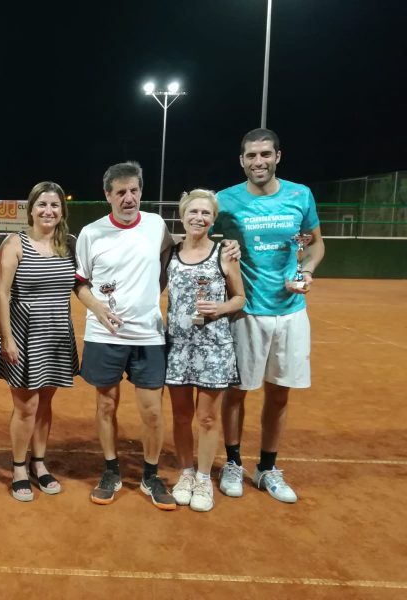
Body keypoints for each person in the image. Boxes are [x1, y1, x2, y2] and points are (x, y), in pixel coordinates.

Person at [213, 128, 325, 503]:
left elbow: (316, 244)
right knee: (236, 392)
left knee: (279, 393)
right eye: (251, 155)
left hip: (291, 311)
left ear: (278, 156)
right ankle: (233, 462)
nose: (258, 161)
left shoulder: (300, 195)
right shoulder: (225, 200)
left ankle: (266, 467)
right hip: (246, 311)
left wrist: (306, 271)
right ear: (241, 160)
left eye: (265, 154)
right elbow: (207, 245)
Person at [74, 161, 177, 510]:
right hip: (104, 335)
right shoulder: (91, 233)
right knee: (106, 404)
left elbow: (168, 257)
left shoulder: (156, 225)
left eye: (134, 190)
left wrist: (152, 293)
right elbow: (80, 283)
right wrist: (98, 309)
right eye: (121, 192)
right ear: (108, 195)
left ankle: (150, 475)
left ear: (141, 191)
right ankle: (111, 470)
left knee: (152, 411)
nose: (128, 198)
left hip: (148, 334)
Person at [0, 181, 80, 502]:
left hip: (57, 334)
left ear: (62, 211)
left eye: (54, 205)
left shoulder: (68, 244)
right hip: (23, 333)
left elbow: (81, 285)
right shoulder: (15, 243)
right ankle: (18, 467)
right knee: (25, 406)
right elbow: (1, 293)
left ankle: (38, 462)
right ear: (31, 209)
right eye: (42, 204)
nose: (48, 210)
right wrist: (7, 338)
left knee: (45, 404)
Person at [164, 189, 246, 512]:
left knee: (208, 417)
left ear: (213, 219)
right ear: (182, 215)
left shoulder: (224, 253)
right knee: (182, 416)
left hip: (213, 348)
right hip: (178, 347)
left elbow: (240, 298)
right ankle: (186, 473)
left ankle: (203, 478)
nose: (199, 218)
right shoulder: (170, 253)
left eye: (206, 213)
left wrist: (220, 308)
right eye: (193, 212)